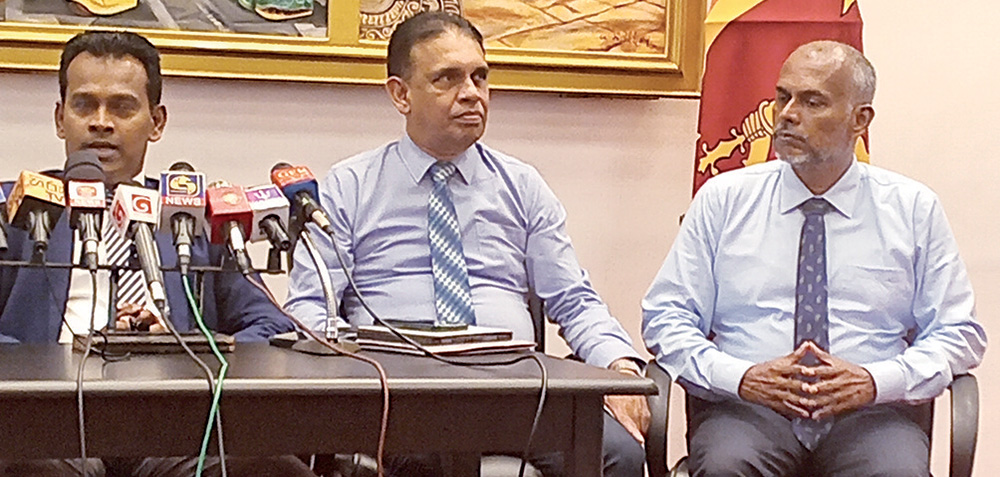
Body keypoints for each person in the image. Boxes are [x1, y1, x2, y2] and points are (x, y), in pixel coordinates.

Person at [285, 11, 649, 477]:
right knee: (431, 460)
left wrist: (618, 365)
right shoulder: (349, 186)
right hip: (398, 395)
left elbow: (573, 298)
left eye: (480, 77)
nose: (472, 93)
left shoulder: (521, 185)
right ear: (400, 94)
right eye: (448, 79)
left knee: (618, 453)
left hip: (515, 390)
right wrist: (355, 371)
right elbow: (310, 307)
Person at [641, 40, 987, 476]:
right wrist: (740, 377)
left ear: (860, 119)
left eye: (812, 101)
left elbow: (959, 333)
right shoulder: (724, 200)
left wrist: (876, 381)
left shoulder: (912, 209)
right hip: (748, 410)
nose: (787, 114)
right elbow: (666, 317)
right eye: (783, 97)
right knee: (727, 468)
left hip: (871, 415)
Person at [0, 31, 313, 476]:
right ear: (60, 118)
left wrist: (183, 348)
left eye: (122, 107)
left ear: (156, 122)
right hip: (52, 425)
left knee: (272, 468)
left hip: (175, 427)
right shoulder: (16, 210)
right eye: (84, 105)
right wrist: (56, 364)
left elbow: (271, 326)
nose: (101, 123)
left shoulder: (196, 215)